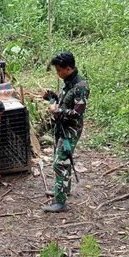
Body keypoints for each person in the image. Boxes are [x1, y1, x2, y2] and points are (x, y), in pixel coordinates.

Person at [42, 52, 89, 212]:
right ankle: (62, 189)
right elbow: (65, 102)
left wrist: (57, 110)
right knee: (64, 160)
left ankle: (60, 202)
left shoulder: (81, 86)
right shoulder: (69, 82)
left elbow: (76, 113)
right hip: (62, 128)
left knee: (59, 163)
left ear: (68, 69)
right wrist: (52, 98)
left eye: (59, 70)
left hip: (71, 130)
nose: (58, 74)